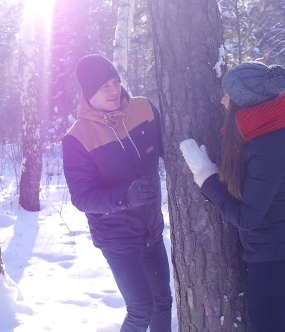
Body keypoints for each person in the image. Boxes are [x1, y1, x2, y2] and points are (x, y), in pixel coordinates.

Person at [179, 62, 285, 332]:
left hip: (275, 255)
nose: (222, 100)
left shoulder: (265, 146)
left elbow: (247, 218)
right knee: (282, 323)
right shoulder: (281, 128)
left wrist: (206, 177)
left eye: (228, 95)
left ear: (243, 102)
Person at [62, 54, 172, 332]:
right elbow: (82, 197)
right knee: (141, 310)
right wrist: (127, 197)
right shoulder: (77, 138)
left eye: (115, 82)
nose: (114, 90)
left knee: (163, 302)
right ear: (89, 93)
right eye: (103, 86)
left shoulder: (143, 109)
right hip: (117, 238)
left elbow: (168, 150)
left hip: (152, 229)